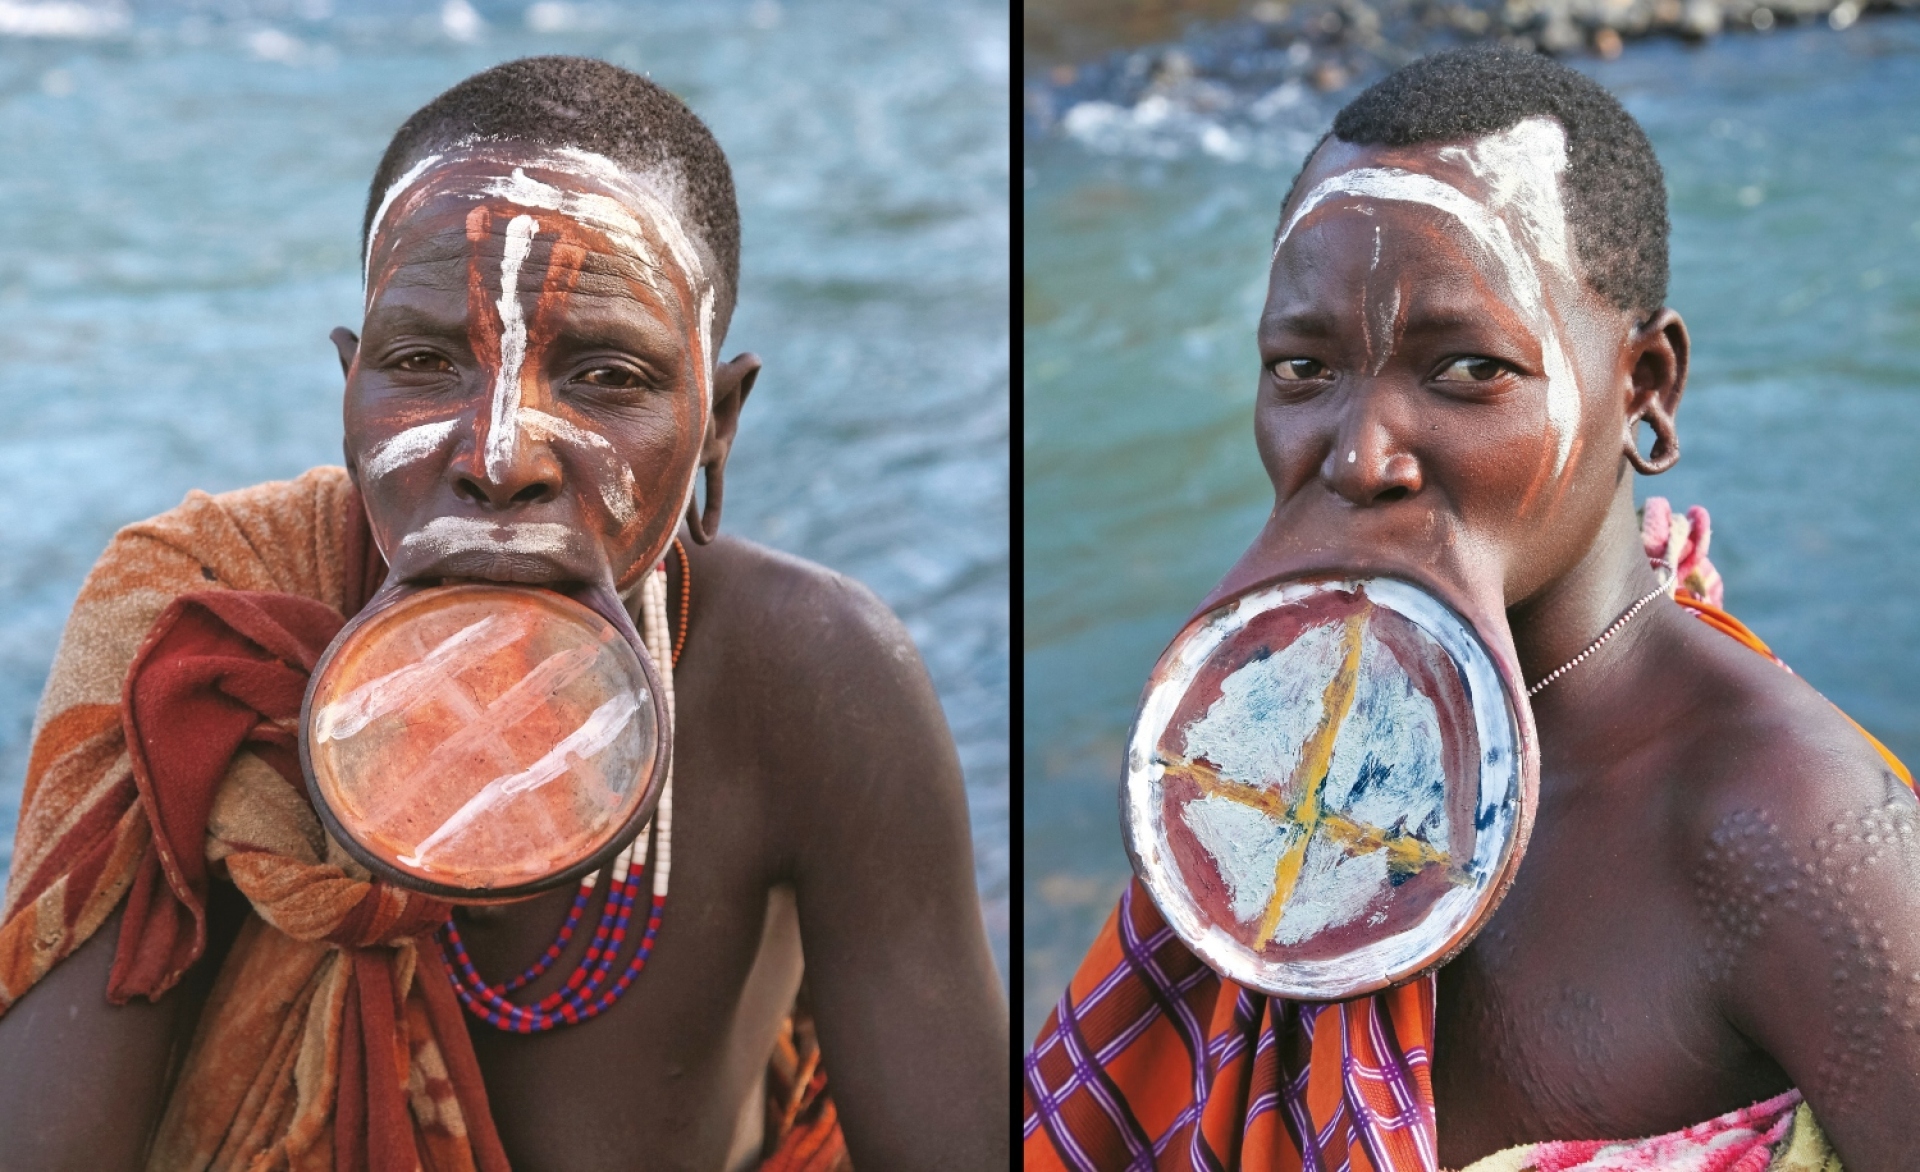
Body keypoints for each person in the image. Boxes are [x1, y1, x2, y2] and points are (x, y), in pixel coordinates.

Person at [0, 56, 1008, 1171]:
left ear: (717, 422)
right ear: (350, 396)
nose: (498, 457)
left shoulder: (814, 677)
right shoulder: (202, 631)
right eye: (424, 362)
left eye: (607, 376)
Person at [1024, 46, 1920, 1170]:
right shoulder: (1274, 774)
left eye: (1467, 370)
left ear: (1647, 384)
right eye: (1303, 369)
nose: (1358, 455)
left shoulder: (1796, 831)